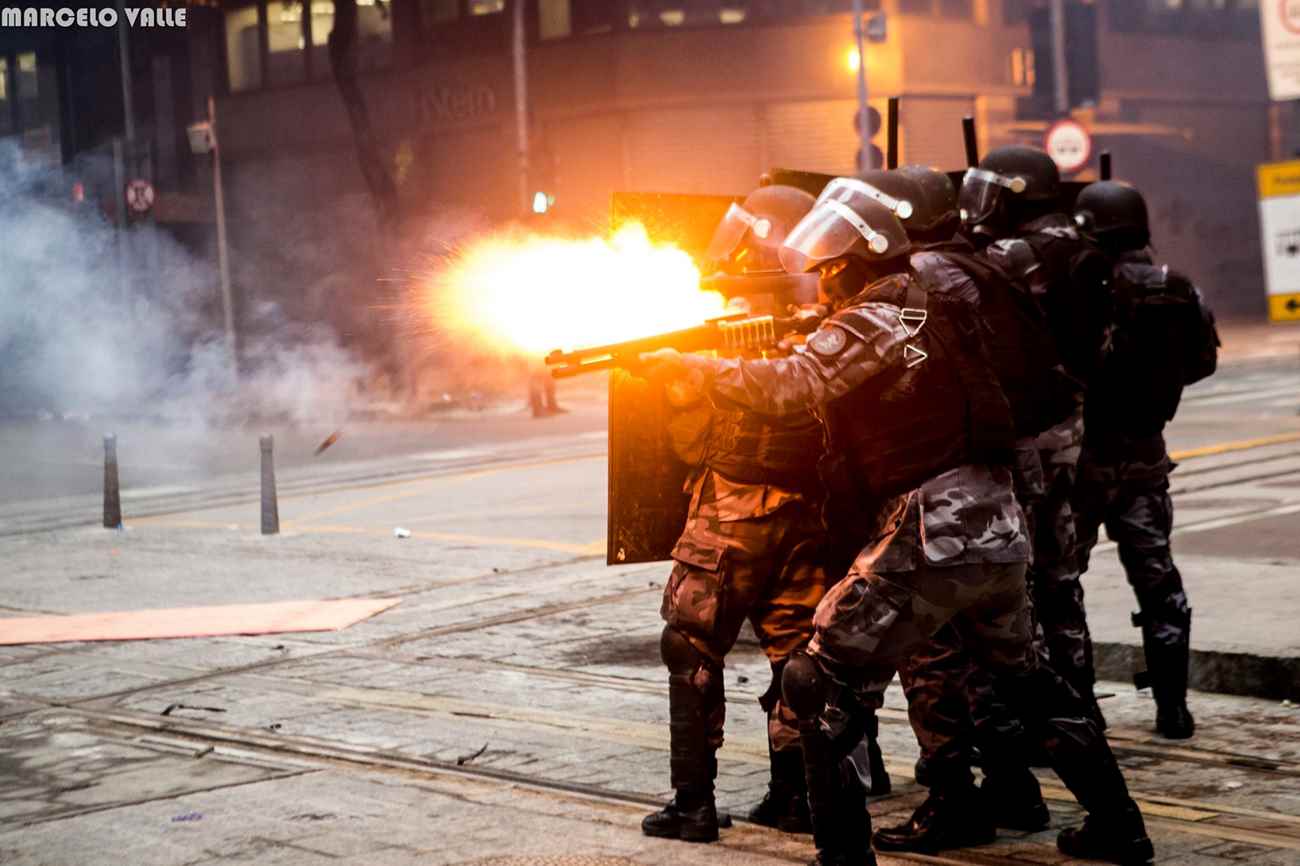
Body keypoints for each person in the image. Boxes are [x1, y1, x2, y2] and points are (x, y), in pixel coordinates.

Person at [640, 182, 1154, 866]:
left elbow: (794, 383)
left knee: (815, 681)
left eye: (828, 270)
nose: (823, 284)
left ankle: (842, 856)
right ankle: (1120, 825)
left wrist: (696, 370)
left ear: (851, 262)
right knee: (1030, 681)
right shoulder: (934, 302)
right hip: (994, 526)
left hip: (931, 531)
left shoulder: (876, 317)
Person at [641, 184, 829, 843]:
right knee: (798, 655)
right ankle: (797, 796)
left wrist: (675, 386)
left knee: (689, 643)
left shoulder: (729, 337)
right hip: (808, 515)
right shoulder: (832, 324)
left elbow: (692, 443)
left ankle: (693, 804)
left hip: (732, 512)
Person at [959, 146, 1113, 720]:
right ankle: (1081, 704)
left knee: (1017, 583)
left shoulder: (1009, 256)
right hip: (1071, 426)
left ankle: (1038, 718)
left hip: (1026, 434)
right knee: (1061, 574)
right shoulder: (1084, 248)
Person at [1072, 180, 1219, 739]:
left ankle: (1079, 712)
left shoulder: (1077, 288)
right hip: (1145, 457)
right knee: (1159, 584)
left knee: (1061, 588)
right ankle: (1173, 709)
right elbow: (1201, 362)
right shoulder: (1176, 287)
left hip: (1082, 463)